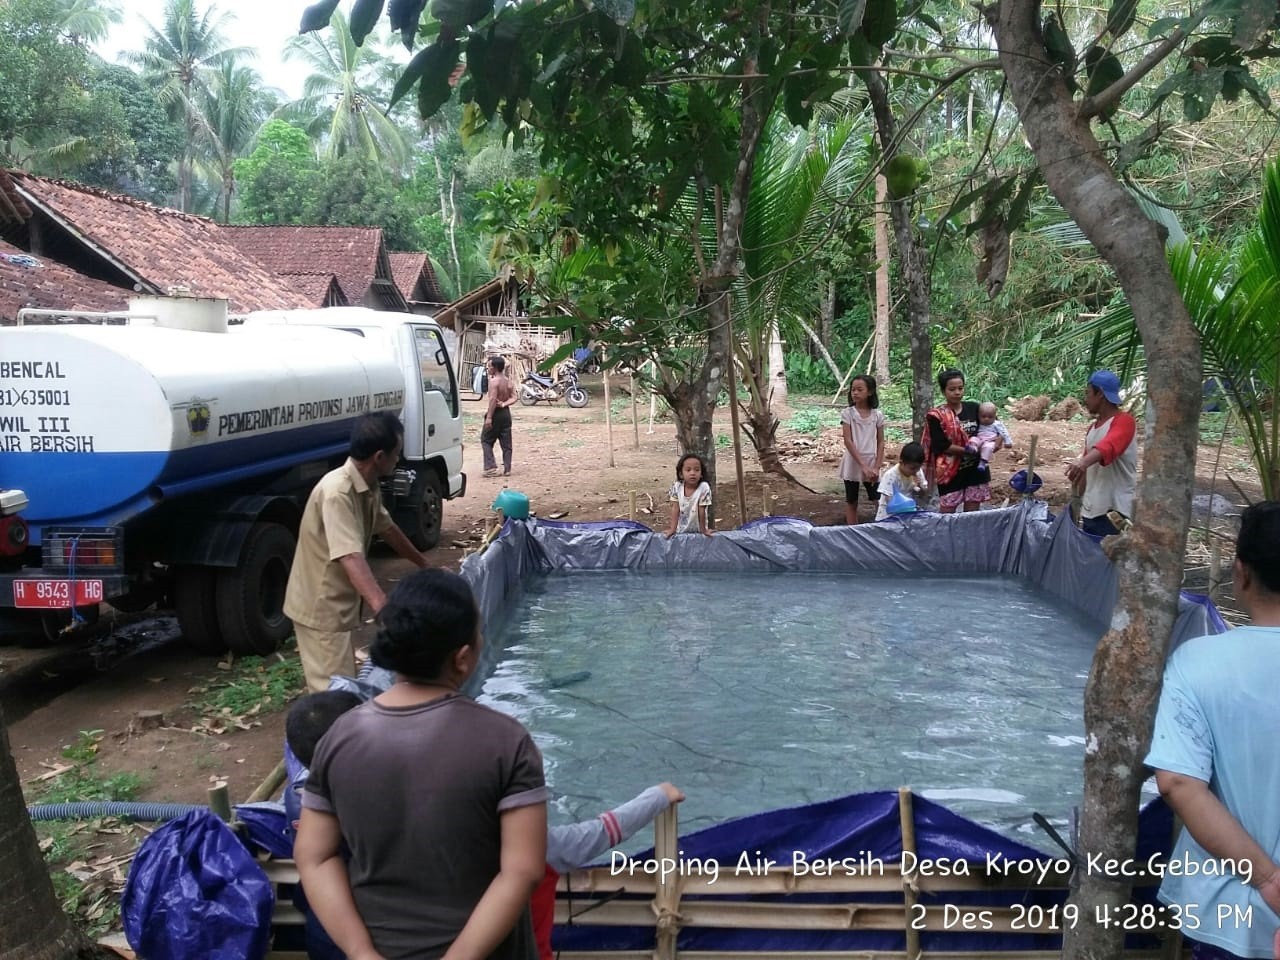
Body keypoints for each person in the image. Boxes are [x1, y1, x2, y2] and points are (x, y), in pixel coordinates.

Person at [286, 663, 683, 960]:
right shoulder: (508, 841)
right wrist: (657, 795)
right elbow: (588, 838)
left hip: (338, 936)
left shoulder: (312, 807)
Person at [295, 569, 548, 960]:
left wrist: (360, 951)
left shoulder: (339, 738)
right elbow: (523, 870)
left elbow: (314, 855)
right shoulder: (505, 741)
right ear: (463, 658)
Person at [1145, 501, 1280, 960]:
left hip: (1231, 907)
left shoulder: (1198, 662)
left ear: (1240, 573)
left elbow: (1180, 783)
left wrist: (1267, 879)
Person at [284, 412, 430, 694]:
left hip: (339, 606)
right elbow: (349, 556)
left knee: (344, 685)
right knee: (334, 696)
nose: (398, 459)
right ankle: (323, 738)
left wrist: (424, 564)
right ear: (379, 457)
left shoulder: (369, 486)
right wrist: (382, 607)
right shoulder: (337, 492)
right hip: (321, 608)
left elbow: (387, 529)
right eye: (396, 453)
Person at [1065, 369, 1137, 537]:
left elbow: (1109, 445)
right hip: (1091, 509)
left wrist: (1083, 463)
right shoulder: (1093, 429)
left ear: (1101, 394)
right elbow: (1085, 469)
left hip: (1114, 511)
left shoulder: (1124, 422)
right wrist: (1076, 501)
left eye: (1088, 393)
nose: (1086, 399)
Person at [923, 368, 990, 514]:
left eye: (960, 388)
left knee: (972, 515)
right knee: (947, 515)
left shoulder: (974, 408)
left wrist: (993, 443)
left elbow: (989, 429)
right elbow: (941, 445)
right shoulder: (936, 416)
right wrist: (969, 451)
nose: (957, 392)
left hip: (975, 471)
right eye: (952, 389)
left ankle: (969, 537)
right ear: (943, 391)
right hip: (950, 472)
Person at [839, 375, 886, 524]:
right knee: (851, 500)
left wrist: (877, 467)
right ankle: (852, 531)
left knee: (878, 498)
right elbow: (848, 440)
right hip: (853, 461)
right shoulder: (848, 414)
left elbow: (881, 441)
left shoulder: (877, 415)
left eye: (860, 390)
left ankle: (883, 527)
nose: (855, 393)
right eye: (853, 390)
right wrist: (863, 466)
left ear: (870, 392)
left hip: (872, 461)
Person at [482, 355, 517, 478]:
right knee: (506, 443)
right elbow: (514, 397)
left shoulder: (493, 382)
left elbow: (492, 400)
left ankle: (491, 467)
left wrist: (489, 417)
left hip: (496, 413)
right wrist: (504, 404)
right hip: (506, 414)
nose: (488, 368)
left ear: (495, 367)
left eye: (490, 366)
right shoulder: (508, 381)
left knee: (486, 440)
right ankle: (507, 469)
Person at [875, 442, 928, 521]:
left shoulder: (917, 472)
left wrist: (920, 487)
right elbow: (890, 501)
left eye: (918, 468)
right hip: (889, 516)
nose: (915, 471)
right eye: (912, 468)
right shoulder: (891, 476)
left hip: (908, 513)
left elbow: (923, 494)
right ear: (901, 463)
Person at [666, 453, 713, 537]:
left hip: (698, 531)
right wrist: (672, 529)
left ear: (701, 473)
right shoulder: (677, 487)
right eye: (688, 470)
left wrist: (704, 531)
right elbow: (675, 508)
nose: (692, 473)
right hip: (681, 531)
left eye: (697, 470)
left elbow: (701, 510)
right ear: (681, 474)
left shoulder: (704, 488)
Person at [966, 401, 1013, 473]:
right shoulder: (977, 422)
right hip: (979, 438)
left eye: (990, 417)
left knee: (988, 447)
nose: (986, 419)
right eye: (983, 416)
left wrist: (1008, 442)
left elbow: (1004, 432)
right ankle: (973, 449)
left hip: (990, 440)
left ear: (995, 416)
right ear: (978, 416)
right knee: (973, 439)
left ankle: (983, 461)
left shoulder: (996, 424)